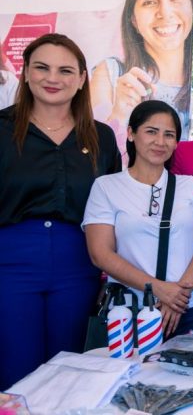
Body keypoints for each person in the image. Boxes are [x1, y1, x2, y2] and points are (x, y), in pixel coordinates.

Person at [0, 33, 121, 389]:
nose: (53, 78)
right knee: (15, 372)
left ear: (82, 79)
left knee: (66, 372)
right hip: (10, 266)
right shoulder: (2, 130)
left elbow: (111, 210)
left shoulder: (100, 137)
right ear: (24, 73)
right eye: (42, 67)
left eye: (65, 70)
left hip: (78, 267)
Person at [84, 100, 193, 338]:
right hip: (129, 311)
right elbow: (100, 254)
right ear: (132, 134)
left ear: (177, 142)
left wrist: (177, 297)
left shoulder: (192, 187)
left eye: (169, 135)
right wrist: (160, 290)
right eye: (151, 132)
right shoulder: (106, 187)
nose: (160, 142)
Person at [91, 0, 193, 153]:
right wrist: (120, 114)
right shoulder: (110, 74)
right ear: (133, 19)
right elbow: (97, 155)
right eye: (150, 2)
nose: (165, 13)